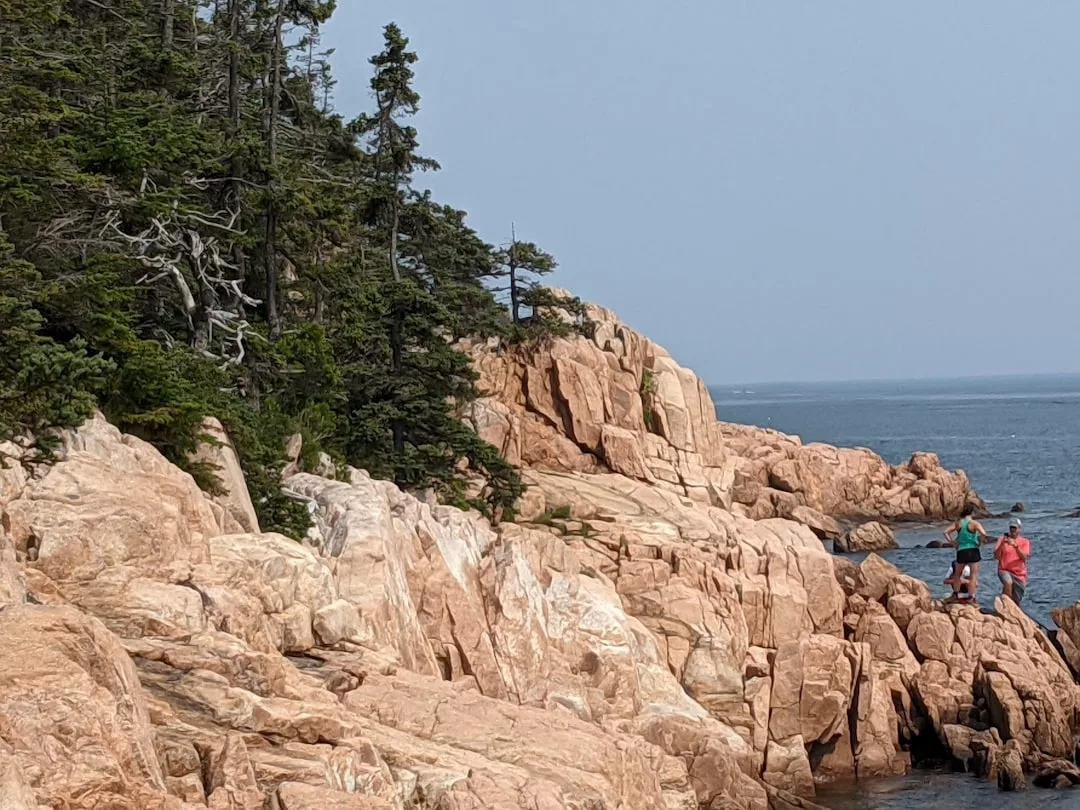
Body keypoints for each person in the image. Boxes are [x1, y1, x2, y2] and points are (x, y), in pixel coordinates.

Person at [944, 504, 988, 600]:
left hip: (962, 550)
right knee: (973, 575)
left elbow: (946, 532)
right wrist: (979, 542)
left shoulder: (958, 523)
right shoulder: (974, 523)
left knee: (958, 574)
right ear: (972, 512)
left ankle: (955, 594)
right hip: (973, 550)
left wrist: (952, 542)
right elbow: (984, 533)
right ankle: (971, 596)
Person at [994, 517, 1031, 604]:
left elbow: (1024, 557)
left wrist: (1016, 546)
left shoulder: (1024, 542)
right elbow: (996, 556)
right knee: (1008, 582)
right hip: (1004, 569)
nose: (1013, 530)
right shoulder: (1002, 539)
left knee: (1017, 600)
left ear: (1019, 529)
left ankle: (1008, 607)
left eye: (1015, 528)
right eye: (1011, 528)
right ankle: (1007, 606)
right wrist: (1002, 544)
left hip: (1019, 573)